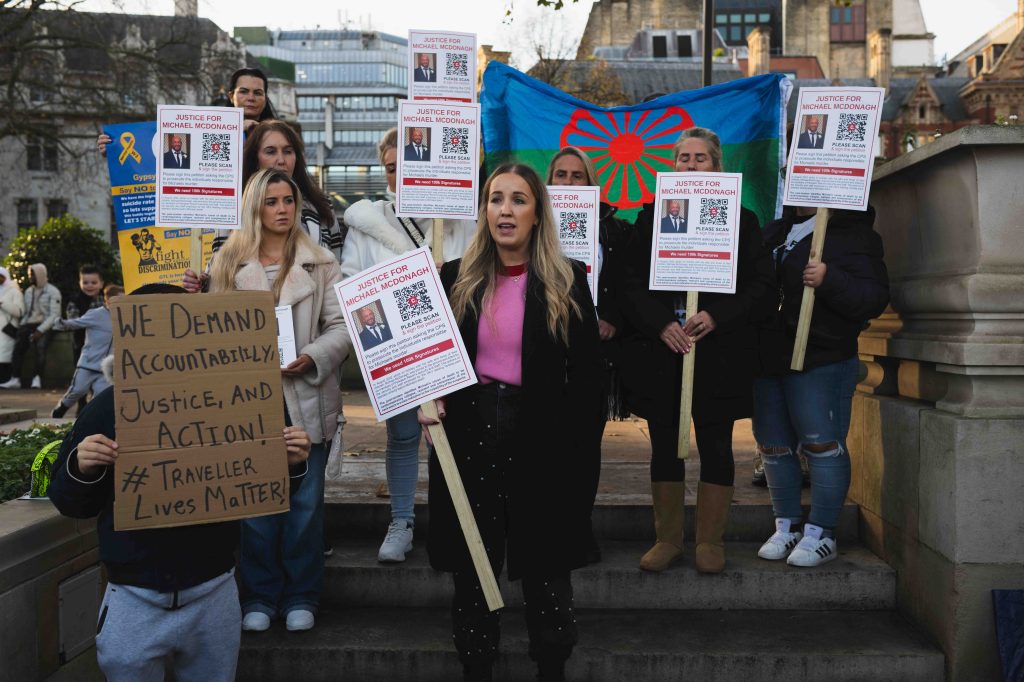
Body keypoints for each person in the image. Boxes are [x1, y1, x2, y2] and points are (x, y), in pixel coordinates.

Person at [47, 282, 311, 682]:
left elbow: (267, 491)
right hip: (134, 595)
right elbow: (70, 503)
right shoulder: (107, 408)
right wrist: (83, 467)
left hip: (214, 590)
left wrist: (290, 461)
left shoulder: (242, 399)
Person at [419, 163, 605, 682]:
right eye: (495, 199)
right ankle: (476, 667)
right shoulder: (454, 277)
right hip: (470, 432)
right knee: (473, 567)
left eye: (518, 199)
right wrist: (424, 394)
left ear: (537, 213)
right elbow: (426, 362)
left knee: (546, 568)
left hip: (543, 437)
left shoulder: (568, 281)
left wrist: (577, 455)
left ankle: (551, 665)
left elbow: (589, 382)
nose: (505, 209)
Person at [619, 127, 775, 574]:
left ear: (717, 165)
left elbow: (761, 287)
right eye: (683, 158)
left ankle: (710, 540)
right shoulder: (651, 218)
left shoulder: (743, 221)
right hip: (665, 349)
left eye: (700, 158)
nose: (690, 166)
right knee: (665, 443)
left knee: (715, 443)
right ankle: (667, 539)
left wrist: (717, 317)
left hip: (718, 352)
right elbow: (629, 283)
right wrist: (660, 323)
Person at [205, 168, 350, 632]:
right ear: (255, 207)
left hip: (305, 394)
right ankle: (260, 597)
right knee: (254, 507)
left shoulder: (321, 261)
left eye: (289, 200)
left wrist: (311, 357)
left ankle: (302, 594)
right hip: (249, 400)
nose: (283, 209)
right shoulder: (226, 263)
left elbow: (343, 328)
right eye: (272, 201)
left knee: (306, 506)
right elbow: (211, 333)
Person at [342, 127, 473, 563]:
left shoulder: (460, 219)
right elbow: (350, 284)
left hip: (453, 347)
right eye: (391, 168)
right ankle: (401, 521)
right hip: (397, 350)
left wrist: (447, 275)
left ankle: (451, 523)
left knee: (450, 437)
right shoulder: (367, 222)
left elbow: (480, 277)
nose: (399, 175)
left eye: (408, 166)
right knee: (402, 436)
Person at [753, 205, 889, 566]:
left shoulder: (853, 233)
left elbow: (874, 298)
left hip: (822, 355)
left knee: (822, 444)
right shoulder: (774, 230)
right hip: (768, 356)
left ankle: (822, 533)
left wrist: (831, 278)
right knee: (773, 445)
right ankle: (787, 526)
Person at [545, 145, 634, 565]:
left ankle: (578, 531)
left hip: (594, 355)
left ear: (591, 182)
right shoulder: (530, 225)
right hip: (539, 352)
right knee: (542, 446)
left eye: (576, 175)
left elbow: (630, 283)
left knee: (583, 448)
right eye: (560, 174)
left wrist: (612, 318)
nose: (567, 182)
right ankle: (542, 529)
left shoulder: (614, 230)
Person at [204, 121, 344, 261]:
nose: (281, 160)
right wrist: (201, 282)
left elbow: (337, 266)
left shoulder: (322, 206)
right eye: (271, 152)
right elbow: (220, 270)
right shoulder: (233, 209)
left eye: (288, 151)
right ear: (256, 159)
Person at [51, 283, 123, 418]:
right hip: (88, 364)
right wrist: (61, 323)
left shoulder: (124, 317)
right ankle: (57, 414)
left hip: (107, 368)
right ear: (108, 300)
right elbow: (77, 322)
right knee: (77, 391)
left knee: (100, 397)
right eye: (120, 299)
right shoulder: (96, 314)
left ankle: (88, 421)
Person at [1, 263, 62, 389]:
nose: (30, 278)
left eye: (32, 275)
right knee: (18, 346)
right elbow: (27, 313)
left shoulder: (53, 291)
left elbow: (54, 315)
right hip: (29, 324)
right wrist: (22, 327)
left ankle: (37, 377)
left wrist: (40, 330)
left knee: (40, 347)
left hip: (45, 325)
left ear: (39, 275)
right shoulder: (29, 291)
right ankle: (15, 378)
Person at [228, 67, 278, 135]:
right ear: (231, 96)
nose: (251, 98)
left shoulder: (278, 134)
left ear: (265, 99)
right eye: (243, 92)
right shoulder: (214, 130)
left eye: (257, 93)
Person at [0, 267, 24, 384]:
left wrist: (3, 304)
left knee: (5, 356)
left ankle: (6, 380)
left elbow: (19, 311)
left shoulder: (14, 291)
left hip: (7, 329)